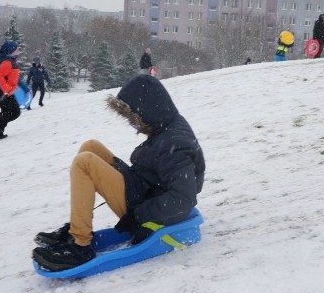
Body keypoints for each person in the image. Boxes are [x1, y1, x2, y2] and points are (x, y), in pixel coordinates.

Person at [32, 74, 205, 272]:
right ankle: (77, 228)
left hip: (145, 205)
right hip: (144, 186)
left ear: (149, 112)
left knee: (84, 162)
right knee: (91, 146)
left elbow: (183, 199)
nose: (133, 125)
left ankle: (80, 245)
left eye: (134, 120)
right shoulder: (166, 124)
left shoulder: (175, 144)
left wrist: (138, 215)